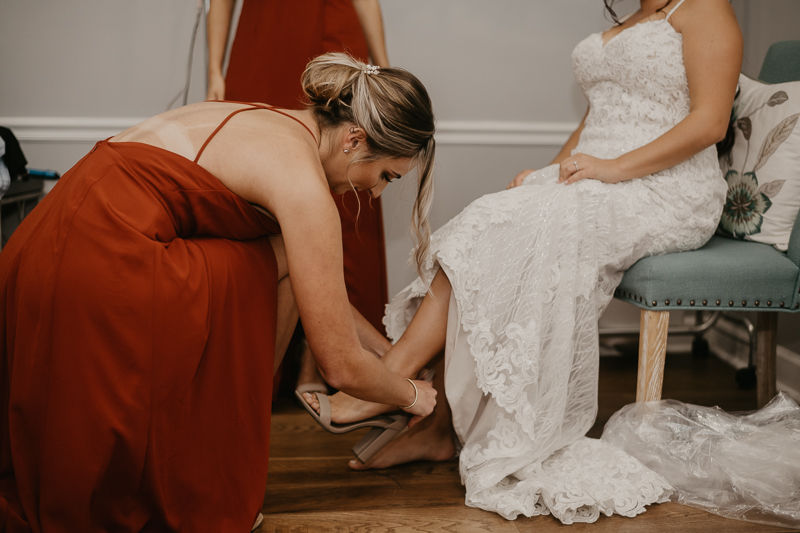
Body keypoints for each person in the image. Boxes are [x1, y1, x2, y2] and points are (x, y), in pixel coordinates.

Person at [300, 0, 743, 524]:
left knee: (510, 228)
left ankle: (390, 380)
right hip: (597, 176)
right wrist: (551, 173)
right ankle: (437, 426)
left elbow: (710, 123)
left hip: (667, 188)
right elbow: (598, 118)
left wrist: (610, 169)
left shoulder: (704, 8)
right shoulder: (630, 23)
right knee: (491, 218)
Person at [0, 53, 436, 532]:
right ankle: (216, 460)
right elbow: (339, 365)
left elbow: (320, 291)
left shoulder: (271, 120)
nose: (374, 194)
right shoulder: (303, 186)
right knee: (284, 261)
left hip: (40, 245)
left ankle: (217, 450)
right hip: (105, 269)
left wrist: (388, 351)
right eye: (386, 176)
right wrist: (412, 394)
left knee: (284, 258)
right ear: (355, 139)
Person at [206, 0, 392, 394]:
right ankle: (255, 363)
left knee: (347, 174)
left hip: (336, 23)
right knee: (266, 172)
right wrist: (214, 69)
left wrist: (384, 68)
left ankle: (321, 353)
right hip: (265, 32)